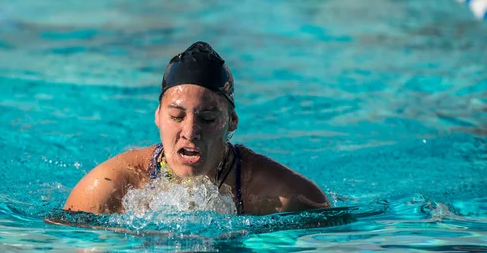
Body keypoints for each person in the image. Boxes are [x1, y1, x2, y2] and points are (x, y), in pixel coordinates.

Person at [64, 41, 330, 215]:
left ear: (232, 122)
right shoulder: (108, 188)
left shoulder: (279, 196)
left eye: (207, 118)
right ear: (157, 117)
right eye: (177, 116)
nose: (190, 132)